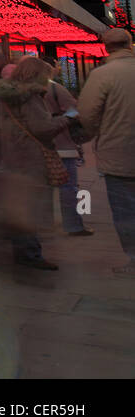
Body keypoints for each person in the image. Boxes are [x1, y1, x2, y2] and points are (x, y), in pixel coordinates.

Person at [0, 57, 70, 270]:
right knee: (30, 209)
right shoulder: (31, 97)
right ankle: (30, 254)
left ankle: (23, 251)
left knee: (21, 207)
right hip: (30, 157)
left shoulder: (9, 95)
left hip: (13, 156)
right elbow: (42, 128)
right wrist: (68, 118)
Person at [78, 28, 135, 277]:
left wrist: (97, 133)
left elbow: (87, 116)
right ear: (130, 44)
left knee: (125, 212)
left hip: (119, 154)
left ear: (105, 47)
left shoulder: (102, 75)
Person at [43, 59, 92, 236]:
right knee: (68, 186)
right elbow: (74, 111)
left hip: (39, 145)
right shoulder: (55, 88)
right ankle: (74, 225)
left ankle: (44, 224)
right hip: (62, 143)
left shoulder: (24, 90)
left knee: (44, 187)